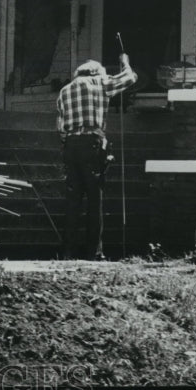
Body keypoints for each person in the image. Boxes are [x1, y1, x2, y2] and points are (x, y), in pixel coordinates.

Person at [56, 54, 136, 260]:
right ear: (95, 72)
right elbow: (130, 78)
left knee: (73, 200)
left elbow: (60, 127)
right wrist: (125, 62)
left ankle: (68, 251)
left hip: (71, 146)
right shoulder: (100, 83)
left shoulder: (65, 90)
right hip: (91, 144)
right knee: (94, 199)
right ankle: (94, 252)